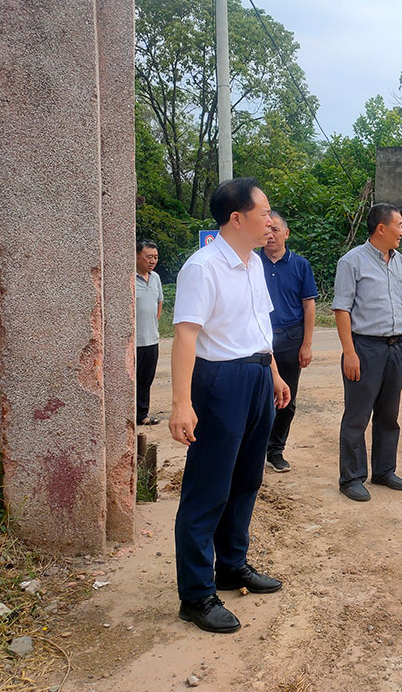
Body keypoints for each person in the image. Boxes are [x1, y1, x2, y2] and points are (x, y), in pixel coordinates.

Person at [169, 177, 290, 634]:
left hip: (257, 376)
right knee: (208, 488)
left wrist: (273, 372)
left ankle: (232, 565)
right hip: (220, 381)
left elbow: (259, 325)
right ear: (236, 218)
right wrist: (182, 403)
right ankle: (196, 595)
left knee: (246, 480)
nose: (271, 221)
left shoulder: (254, 263)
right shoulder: (203, 267)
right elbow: (186, 336)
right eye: (264, 213)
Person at [332, 203, 402, 503]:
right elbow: (341, 309)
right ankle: (351, 477)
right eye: (399, 225)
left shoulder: (399, 261)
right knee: (357, 415)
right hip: (365, 348)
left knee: (389, 414)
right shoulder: (352, 262)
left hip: (395, 347)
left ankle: (384, 470)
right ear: (381, 228)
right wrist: (349, 352)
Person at [260, 211, 318, 473]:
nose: (270, 234)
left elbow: (308, 306)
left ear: (287, 233)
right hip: (259, 339)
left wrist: (306, 344)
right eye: (267, 229)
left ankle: (275, 450)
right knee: (257, 397)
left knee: (286, 399)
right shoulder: (252, 262)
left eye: (275, 229)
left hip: (291, 338)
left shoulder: (300, 265)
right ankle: (254, 449)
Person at [135, 240, 163, 426]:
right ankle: (128, 414)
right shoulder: (129, 278)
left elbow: (159, 302)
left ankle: (142, 415)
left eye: (155, 257)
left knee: (146, 379)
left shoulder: (156, 278)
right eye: (148, 257)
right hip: (134, 342)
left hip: (151, 339)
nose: (152, 261)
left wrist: (154, 323)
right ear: (137, 256)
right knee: (132, 381)